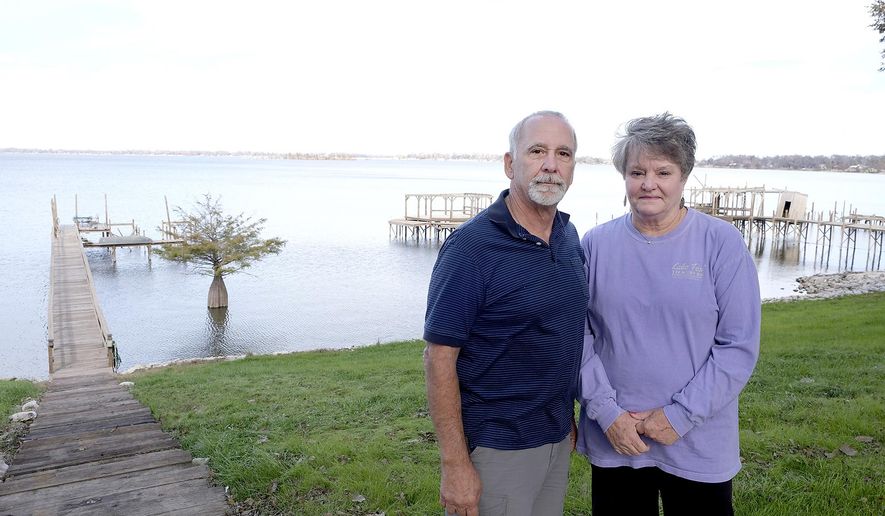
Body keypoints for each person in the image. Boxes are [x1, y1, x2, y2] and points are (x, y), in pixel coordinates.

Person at [576, 112, 761, 515]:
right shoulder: (595, 245)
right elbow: (577, 336)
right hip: (617, 437)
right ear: (623, 176)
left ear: (684, 176)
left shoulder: (721, 243)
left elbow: (737, 346)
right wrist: (607, 412)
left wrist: (679, 416)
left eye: (663, 171)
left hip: (699, 441)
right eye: (636, 171)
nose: (648, 183)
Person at [423, 111, 589, 516]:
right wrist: (455, 464)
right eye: (537, 151)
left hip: (555, 439)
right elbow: (439, 357)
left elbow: (558, 337)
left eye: (563, 153)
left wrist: (565, 415)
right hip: (497, 448)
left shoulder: (568, 237)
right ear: (510, 164)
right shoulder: (471, 249)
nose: (551, 164)